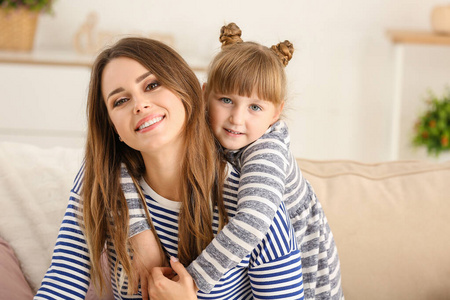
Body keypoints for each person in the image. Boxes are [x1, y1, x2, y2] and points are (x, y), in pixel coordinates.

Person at [34, 37, 304, 300]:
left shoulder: (254, 205)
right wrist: (138, 230)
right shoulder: (101, 183)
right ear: (113, 127)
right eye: (120, 101)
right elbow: (61, 284)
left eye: (151, 85)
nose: (140, 105)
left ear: (189, 90)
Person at [129, 23, 344, 300]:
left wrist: (192, 280)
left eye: (255, 107)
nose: (237, 118)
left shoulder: (267, 151)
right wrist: (139, 230)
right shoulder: (198, 128)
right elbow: (122, 163)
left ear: (276, 112)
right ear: (205, 95)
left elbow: (253, 222)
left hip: (302, 256)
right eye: (227, 100)